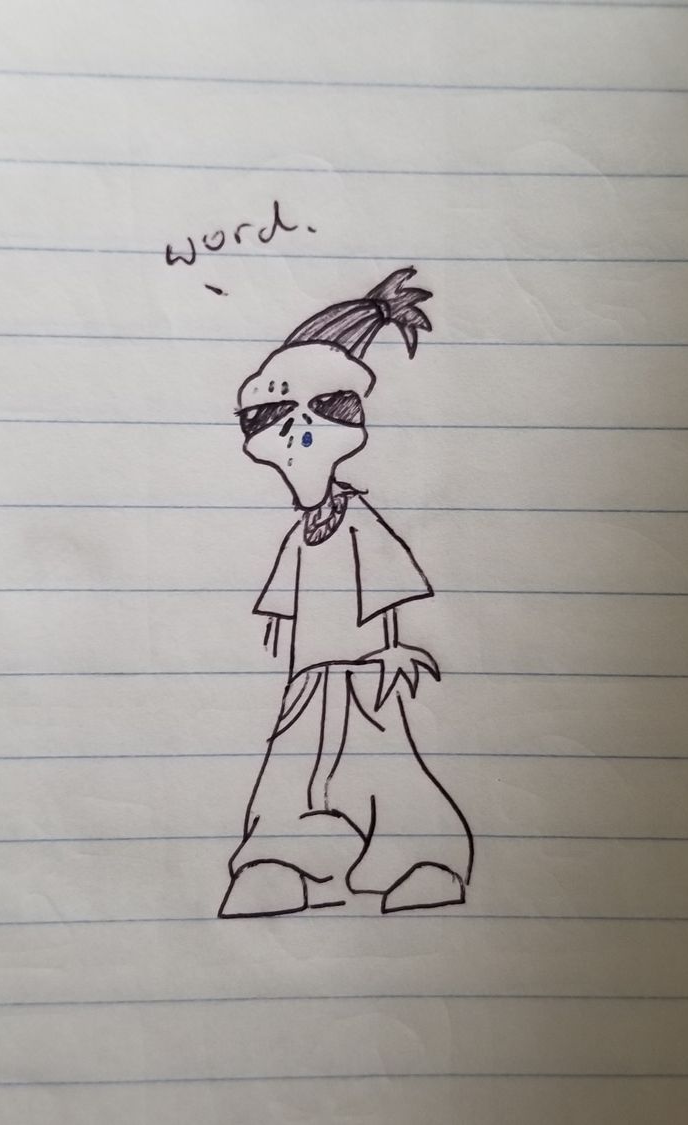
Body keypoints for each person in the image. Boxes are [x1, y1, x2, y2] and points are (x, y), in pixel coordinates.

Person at [219, 268, 474, 917]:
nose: (291, 432)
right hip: (308, 680)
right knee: (293, 769)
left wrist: (392, 651)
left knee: (384, 763)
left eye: (324, 410)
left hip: (362, 675)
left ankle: (426, 859)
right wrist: (281, 621)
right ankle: (282, 857)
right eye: (266, 417)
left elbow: (388, 585)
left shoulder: (358, 519)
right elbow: (287, 592)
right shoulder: (302, 531)